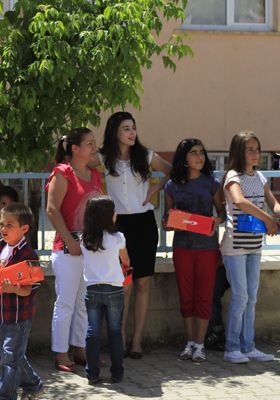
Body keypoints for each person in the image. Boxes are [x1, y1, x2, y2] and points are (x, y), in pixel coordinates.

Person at [95, 112, 171, 358]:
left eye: (133, 127)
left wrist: (155, 190)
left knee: (143, 283)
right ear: (115, 132)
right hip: (118, 226)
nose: (131, 132)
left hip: (144, 224)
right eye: (126, 128)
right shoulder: (104, 158)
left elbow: (172, 171)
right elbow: (79, 166)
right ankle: (120, 339)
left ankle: (137, 341)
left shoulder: (145, 156)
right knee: (123, 285)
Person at [220, 131, 280, 363]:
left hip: (254, 244)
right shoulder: (233, 177)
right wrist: (267, 218)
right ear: (239, 152)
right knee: (241, 296)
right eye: (250, 149)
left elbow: (271, 199)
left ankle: (248, 346)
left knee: (252, 297)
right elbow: (239, 201)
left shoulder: (261, 177)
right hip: (235, 246)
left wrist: (275, 210)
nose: (256, 153)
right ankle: (232, 347)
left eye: (257, 148)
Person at [46, 128, 103, 372]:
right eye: (89, 143)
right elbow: (52, 210)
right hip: (67, 250)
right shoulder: (62, 173)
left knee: (84, 303)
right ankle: (60, 353)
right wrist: (69, 240)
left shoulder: (95, 174)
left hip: (90, 249)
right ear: (74, 149)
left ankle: (80, 348)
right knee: (66, 302)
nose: (94, 147)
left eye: (94, 143)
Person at [163, 138, 224, 363]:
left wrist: (213, 222)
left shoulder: (212, 183)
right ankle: (189, 342)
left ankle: (200, 345)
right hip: (182, 247)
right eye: (194, 153)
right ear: (184, 158)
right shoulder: (172, 185)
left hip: (207, 248)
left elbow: (222, 214)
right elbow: (166, 219)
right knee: (186, 297)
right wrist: (170, 221)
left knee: (204, 297)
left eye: (202, 152)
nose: (199, 157)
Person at [0, 203, 42, 400]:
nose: (3, 229)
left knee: (9, 359)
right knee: (12, 356)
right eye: (2, 224)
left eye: (9, 225)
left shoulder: (28, 256)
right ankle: (34, 385)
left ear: (24, 229)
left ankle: (5, 396)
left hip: (19, 317)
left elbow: (29, 290)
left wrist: (13, 288)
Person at [80, 195, 129, 384]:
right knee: (115, 331)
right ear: (109, 216)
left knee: (92, 332)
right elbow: (126, 261)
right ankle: (117, 373)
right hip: (114, 289)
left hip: (92, 288)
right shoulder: (118, 238)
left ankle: (92, 374)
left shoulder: (84, 238)